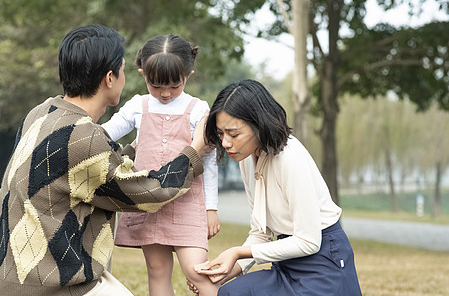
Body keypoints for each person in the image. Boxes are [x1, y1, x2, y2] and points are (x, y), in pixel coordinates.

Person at [0, 24, 209, 296]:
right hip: (52, 285)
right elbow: (150, 192)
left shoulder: (41, 113)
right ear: (110, 78)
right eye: (123, 69)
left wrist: (133, 149)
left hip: (13, 277)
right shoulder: (84, 136)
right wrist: (195, 150)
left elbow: (91, 171)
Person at [194, 79, 362, 295]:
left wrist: (238, 252)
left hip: (324, 262)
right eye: (220, 134)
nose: (225, 143)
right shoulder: (246, 158)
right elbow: (261, 233)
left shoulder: (288, 158)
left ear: (258, 124)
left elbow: (308, 241)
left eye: (233, 134)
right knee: (230, 292)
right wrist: (224, 272)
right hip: (286, 262)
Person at [102, 34, 220, 296]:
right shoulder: (137, 106)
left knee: (198, 271)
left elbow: (210, 160)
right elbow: (104, 133)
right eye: (156, 85)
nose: (165, 93)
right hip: (148, 203)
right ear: (143, 73)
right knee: (157, 270)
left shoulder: (198, 109)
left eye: (173, 85)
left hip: (189, 203)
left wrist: (211, 208)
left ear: (187, 74)